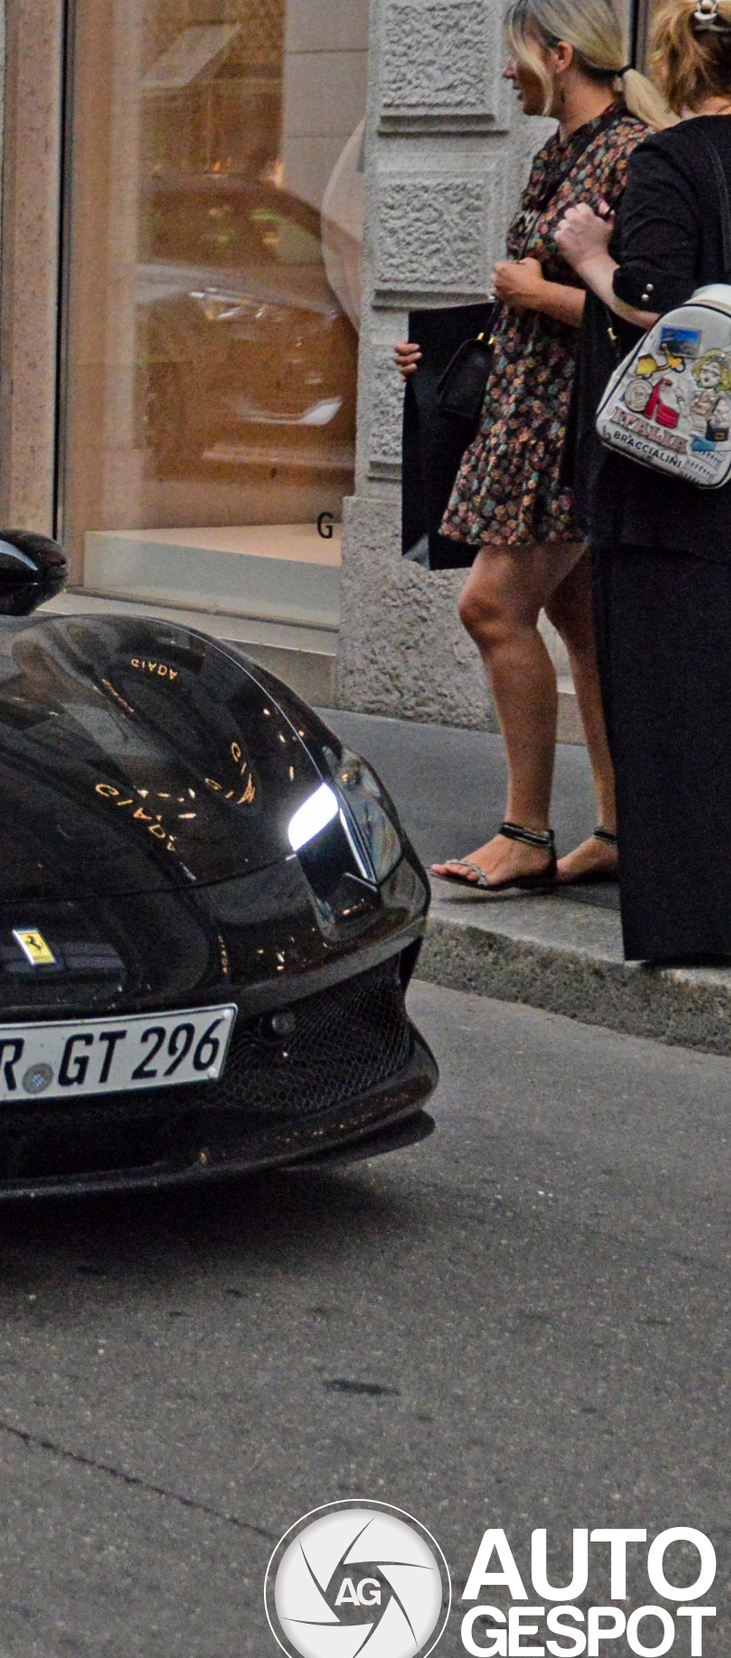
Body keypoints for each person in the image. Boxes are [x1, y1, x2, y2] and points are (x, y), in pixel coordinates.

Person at [391, 0, 660, 894]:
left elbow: (654, 318)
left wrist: (536, 297)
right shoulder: (563, 150)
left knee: (492, 608)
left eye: (515, 58)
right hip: (530, 410)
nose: (506, 76)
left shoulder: (628, 155)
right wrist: (454, 354)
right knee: (585, 629)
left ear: (560, 53)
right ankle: (620, 832)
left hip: (566, 425)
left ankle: (526, 832)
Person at [556, 0, 731, 962]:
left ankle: (695, 920)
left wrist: (588, 254)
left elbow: (653, 297)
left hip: (682, 488)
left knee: (675, 707)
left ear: (672, 62)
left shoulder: (672, 159)